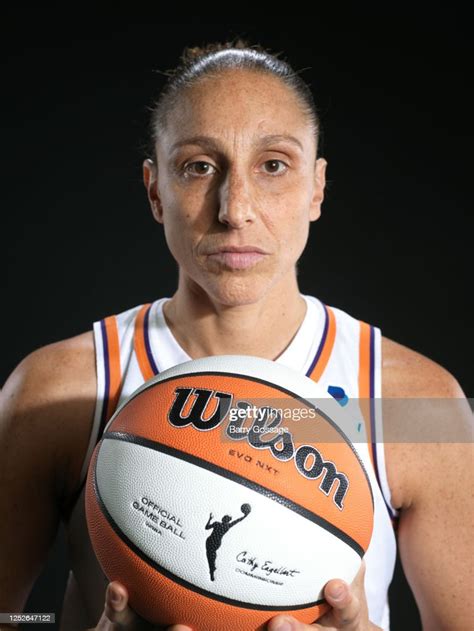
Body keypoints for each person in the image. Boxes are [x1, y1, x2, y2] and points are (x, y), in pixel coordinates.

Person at [0, 39, 472, 631]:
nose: (235, 208)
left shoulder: (411, 402)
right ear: (154, 189)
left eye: (273, 164)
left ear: (317, 187)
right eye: (200, 167)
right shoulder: (55, 390)